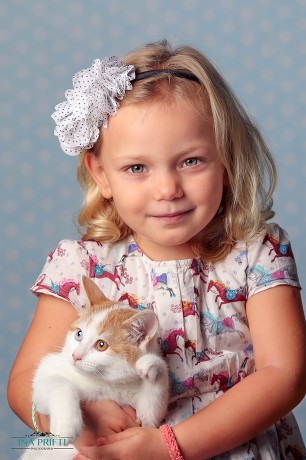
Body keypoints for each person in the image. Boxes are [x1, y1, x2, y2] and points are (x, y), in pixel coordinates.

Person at [7, 39, 305, 460]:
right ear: (102, 175)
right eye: (136, 168)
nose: (167, 189)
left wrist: (172, 445)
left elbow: (285, 375)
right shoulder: (80, 266)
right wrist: (80, 422)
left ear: (227, 160)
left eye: (191, 161)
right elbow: (24, 381)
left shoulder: (257, 253)